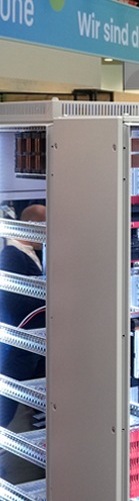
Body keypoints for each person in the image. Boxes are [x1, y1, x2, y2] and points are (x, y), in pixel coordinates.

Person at [0, 204, 46, 484]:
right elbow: (15, 302)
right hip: (17, 351)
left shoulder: (32, 255)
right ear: (33, 227)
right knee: (7, 410)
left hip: (31, 350)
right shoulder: (12, 256)